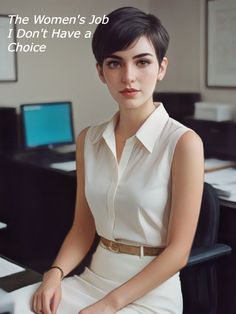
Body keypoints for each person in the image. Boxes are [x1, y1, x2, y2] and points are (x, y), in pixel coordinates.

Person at [5, 6, 204, 314]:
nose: (129, 77)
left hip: (150, 293)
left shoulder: (183, 143)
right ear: (101, 71)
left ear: (161, 68)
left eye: (142, 62)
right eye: (115, 63)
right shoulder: (89, 140)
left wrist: (109, 306)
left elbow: (178, 253)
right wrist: (54, 274)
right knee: (14, 304)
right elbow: (83, 228)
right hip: (92, 281)